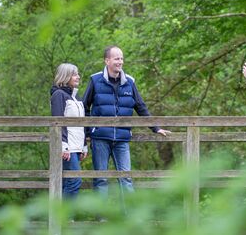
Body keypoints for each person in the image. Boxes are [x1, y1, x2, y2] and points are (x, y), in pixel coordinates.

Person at [83, 45, 171, 195]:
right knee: (101, 179)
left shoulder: (129, 82)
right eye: (117, 58)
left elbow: (140, 107)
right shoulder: (95, 80)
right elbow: (84, 106)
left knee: (126, 178)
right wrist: (87, 133)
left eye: (122, 58)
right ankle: (101, 217)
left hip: (122, 138)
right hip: (100, 137)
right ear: (107, 61)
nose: (120, 62)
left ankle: (130, 216)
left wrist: (156, 128)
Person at [50, 63, 88, 199]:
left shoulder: (76, 97)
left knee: (67, 181)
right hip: (67, 147)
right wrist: (63, 145)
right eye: (74, 74)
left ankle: (62, 218)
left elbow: (81, 123)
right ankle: (64, 217)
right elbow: (58, 121)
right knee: (74, 180)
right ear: (65, 76)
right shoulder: (58, 95)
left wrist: (84, 145)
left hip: (76, 147)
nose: (78, 77)